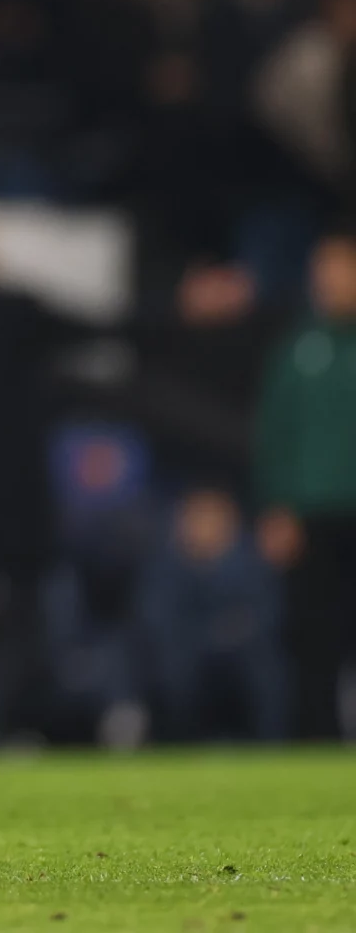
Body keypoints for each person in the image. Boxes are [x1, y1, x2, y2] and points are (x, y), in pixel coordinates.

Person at [255, 226, 356, 739]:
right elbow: (275, 433)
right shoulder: (298, 350)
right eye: (323, 271)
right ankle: (316, 745)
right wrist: (276, 507)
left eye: (341, 268)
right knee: (315, 641)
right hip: (313, 515)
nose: (331, 281)